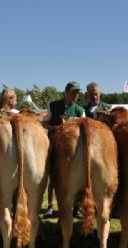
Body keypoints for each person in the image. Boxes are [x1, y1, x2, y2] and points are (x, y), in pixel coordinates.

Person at [44, 81, 85, 217]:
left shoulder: (80, 110)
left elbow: (84, 129)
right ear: (66, 92)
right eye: (73, 92)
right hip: (54, 146)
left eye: (77, 92)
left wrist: (68, 126)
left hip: (73, 150)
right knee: (52, 177)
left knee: (77, 178)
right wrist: (57, 128)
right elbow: (45, 123)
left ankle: (77, 208)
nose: (76, 95)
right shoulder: (53, 106)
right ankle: (50, 206)